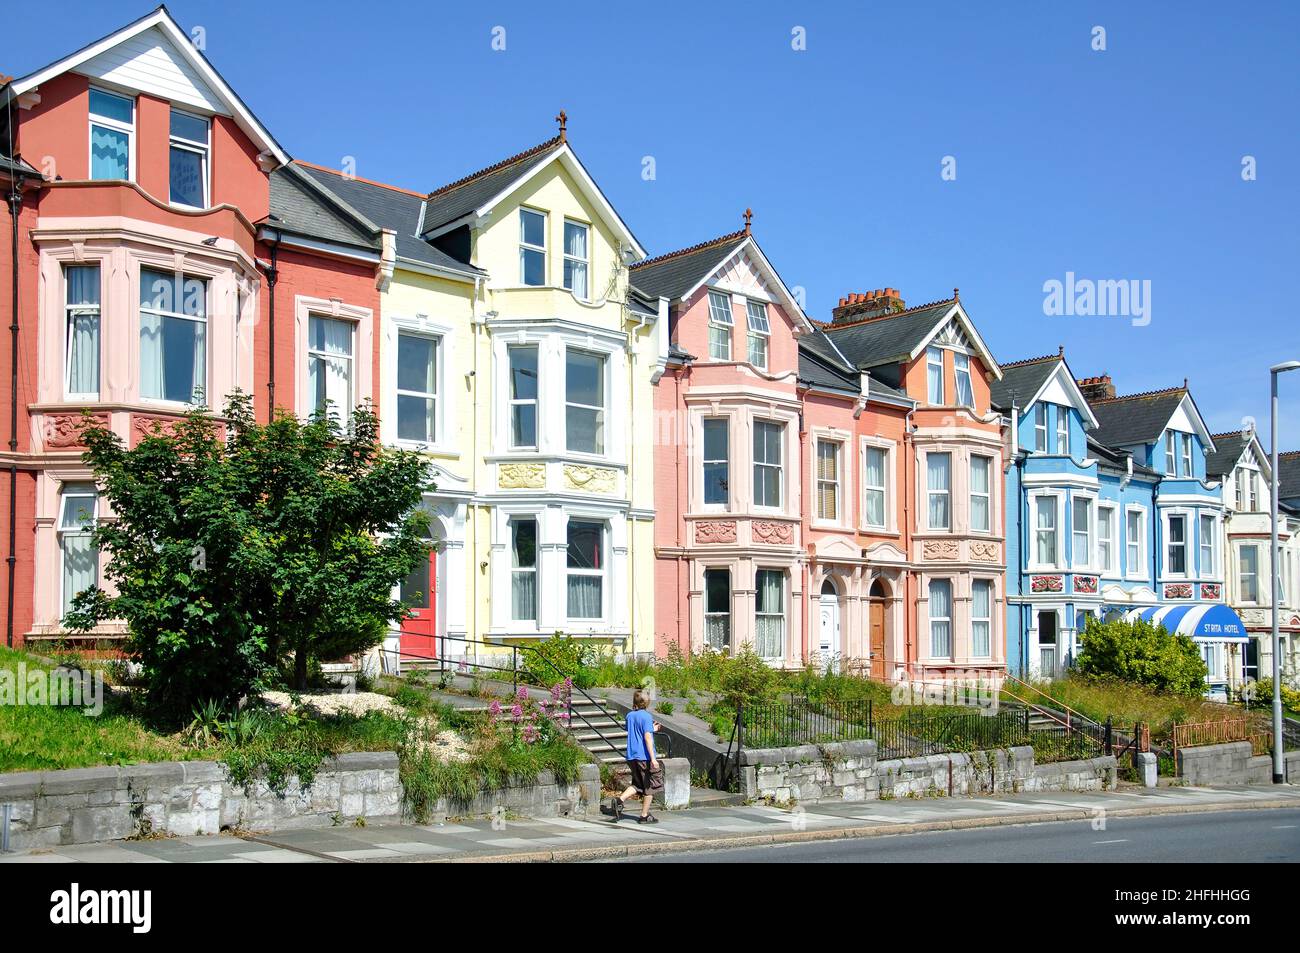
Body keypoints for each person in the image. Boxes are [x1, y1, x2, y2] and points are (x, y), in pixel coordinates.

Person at [603, 689, 660, 823]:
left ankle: (619, 800)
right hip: (643, 756)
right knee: (649, 787)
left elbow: (634, 731)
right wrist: (653, 759)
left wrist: (651, 729)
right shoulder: (646, 717)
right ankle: (644, 816)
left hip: (631, 756)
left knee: (637, 784)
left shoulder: (629, 716)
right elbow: (647, 737)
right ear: (646, 702)